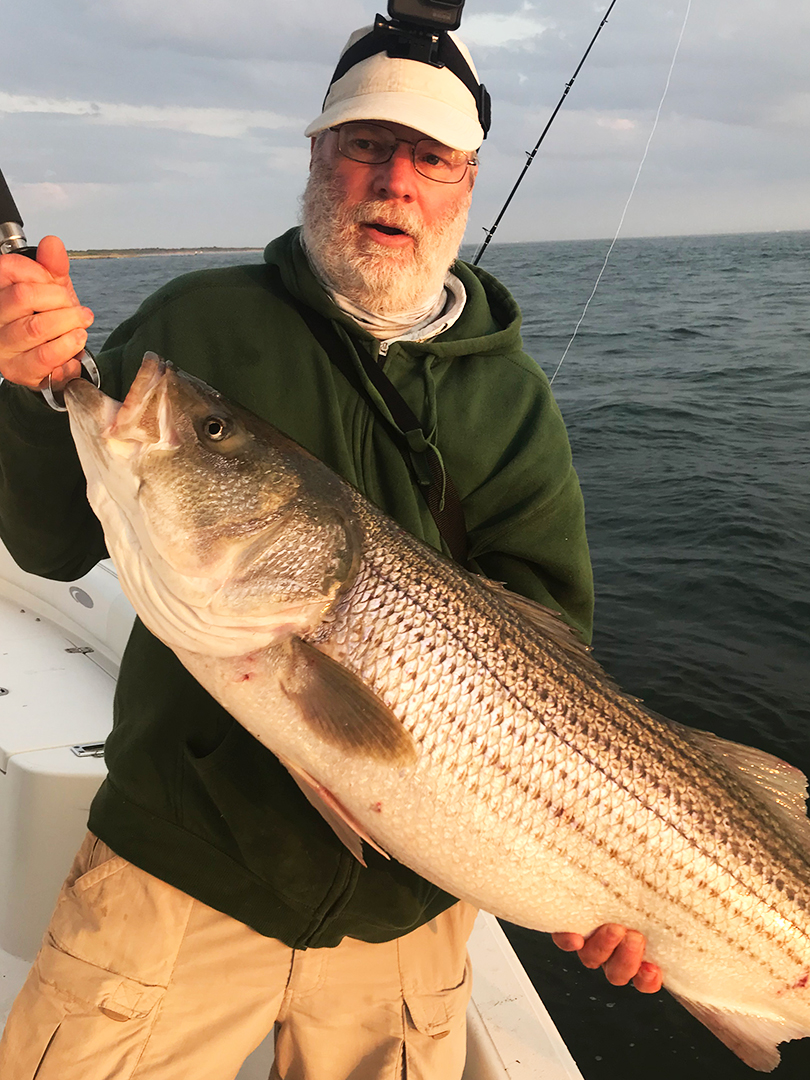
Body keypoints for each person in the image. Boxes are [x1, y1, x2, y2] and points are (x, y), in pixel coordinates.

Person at [0, 19, 662, 1080]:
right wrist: (27, 389)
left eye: (429, 157)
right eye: (363, 144)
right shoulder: (200, 323)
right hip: (175, 870)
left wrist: (611, 882)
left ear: (467, 184)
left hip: (408, 919)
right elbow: (46, 540)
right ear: (317, 157)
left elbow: (555, 651)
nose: (392, 180)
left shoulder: (515, 402)